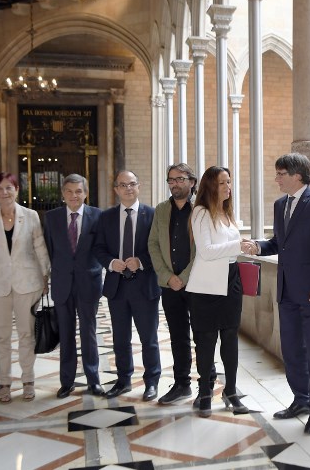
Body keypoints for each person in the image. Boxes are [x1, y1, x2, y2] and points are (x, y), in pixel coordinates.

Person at [251, 153, 310, 434]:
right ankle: (301, 399)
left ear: (296, 175)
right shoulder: (280, 205)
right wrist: (258, 248)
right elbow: (280, 242)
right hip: (286, 290)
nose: (276, 179)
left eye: (280, 173)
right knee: (291, 349)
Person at [185, 166, 255, 417]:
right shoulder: (201, 213)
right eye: (222, 183)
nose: (228, 187)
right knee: (205, 342)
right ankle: (205, 392)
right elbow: (206, 250)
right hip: (206, 286)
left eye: (229, 182)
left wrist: (244, 246)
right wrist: (238, 245)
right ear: (210, 186)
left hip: (231, 279)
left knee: (230, 340)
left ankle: (231, 391)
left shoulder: (227, 213)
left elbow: (225, 248)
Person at [0, 173, 50, 402]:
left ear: (17, 190)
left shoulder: (30, 216)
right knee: (0, 337)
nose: (4, 192)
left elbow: (40, 247)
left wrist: (46, 277)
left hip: (27, 283)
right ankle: (4, 383)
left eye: (9, 187)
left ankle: (28, 380)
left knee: (26, 335)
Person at [148, 163, 217, 405]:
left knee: (202, 336)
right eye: (171, 180)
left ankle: (206, 386)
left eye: (179, 179)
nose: (174, 183)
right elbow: (153, 245)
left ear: (192, 181)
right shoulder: (161, 210)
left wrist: (184, 277)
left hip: (197, 283)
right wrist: (168, 276)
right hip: (169, 286)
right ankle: (181, 384)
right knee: (178, 337)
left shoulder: (202, 209)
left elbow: (203, 249)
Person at [94, 170, 161, 400]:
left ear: (138, 186)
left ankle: (152, 382)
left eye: (132, 184)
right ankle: (123, 381)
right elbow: (98, 248)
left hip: (145, 286)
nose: (128, 188)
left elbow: (158, 249)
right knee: (120, 339)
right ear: (116, 190)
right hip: (117, 287)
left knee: (149, 339)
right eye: (123, 185)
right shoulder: (107, 217)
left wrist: (140, 261)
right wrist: (112, 263)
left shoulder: (152, 215)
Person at [44, 173, 104, 399]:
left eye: (78, 191)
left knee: (88, 332)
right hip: (62, 284)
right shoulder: (51, 218)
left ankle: (93, 380)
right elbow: (50, 251)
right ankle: (66, 382)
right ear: (62, 194)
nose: (74, 196)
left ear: (86, 193)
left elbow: (101, 248)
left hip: (88, 282)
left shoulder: (98, 216)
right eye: (69, 191)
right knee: (66, 333)